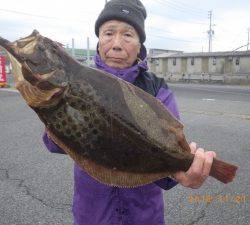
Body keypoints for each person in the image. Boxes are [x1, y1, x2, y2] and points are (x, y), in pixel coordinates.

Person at [43, 0, 216, 224]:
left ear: (139, 44)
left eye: (127, 35)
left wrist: (180, 171)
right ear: (98, 40)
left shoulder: (155, 87)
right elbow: (53, 144)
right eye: (108, 33)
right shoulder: (78, 81)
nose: (116, 44)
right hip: (93, 214)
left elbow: (168, 152)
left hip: (144, 216)